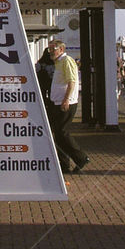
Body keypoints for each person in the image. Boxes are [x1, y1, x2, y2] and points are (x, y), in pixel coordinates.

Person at [47, 40, 89, 174]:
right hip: (57, 102)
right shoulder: (58, 63)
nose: (51, 51)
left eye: (53, 48)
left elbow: (72, 82)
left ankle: (81, 158)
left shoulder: (67, 61)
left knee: (62, 132)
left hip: (66, 103)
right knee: (57, 133)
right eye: (50, 49)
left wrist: (66, 100)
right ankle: (64, 163)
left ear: (61, 49)